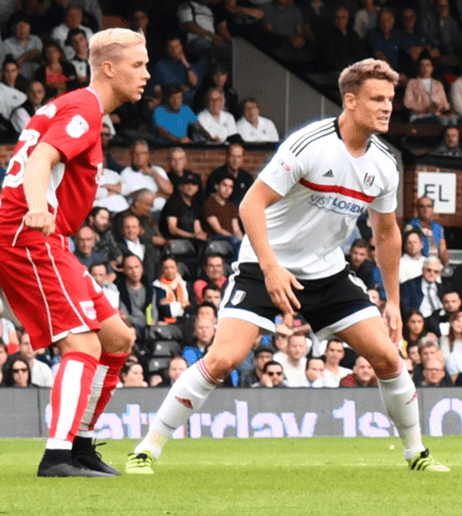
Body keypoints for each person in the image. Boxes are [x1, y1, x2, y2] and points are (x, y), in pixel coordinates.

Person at [129, 59, 445, 474]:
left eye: (389, 99)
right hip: (265, 264)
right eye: (377, 99)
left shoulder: (385, 164)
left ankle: (416, 454)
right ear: (350, 101)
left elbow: (386, 234)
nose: (387, 107)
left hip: (327, 273)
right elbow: (250, 204)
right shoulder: (310, 144)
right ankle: (147, 448)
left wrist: (392, 300)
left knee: (387, 357)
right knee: (223, 360)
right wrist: (272, 268)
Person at [0, 28, 150, 479]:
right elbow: (40, 160)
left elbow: (13, 176)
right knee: (82, 343)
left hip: (28, 237)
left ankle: (81, 446)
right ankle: (58, 457)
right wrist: (37, 210)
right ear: (108, 68)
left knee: (118, 339)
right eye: (138, 65)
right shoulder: (83, 108)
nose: (145, 74)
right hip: (32, 238)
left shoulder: (67, 106)